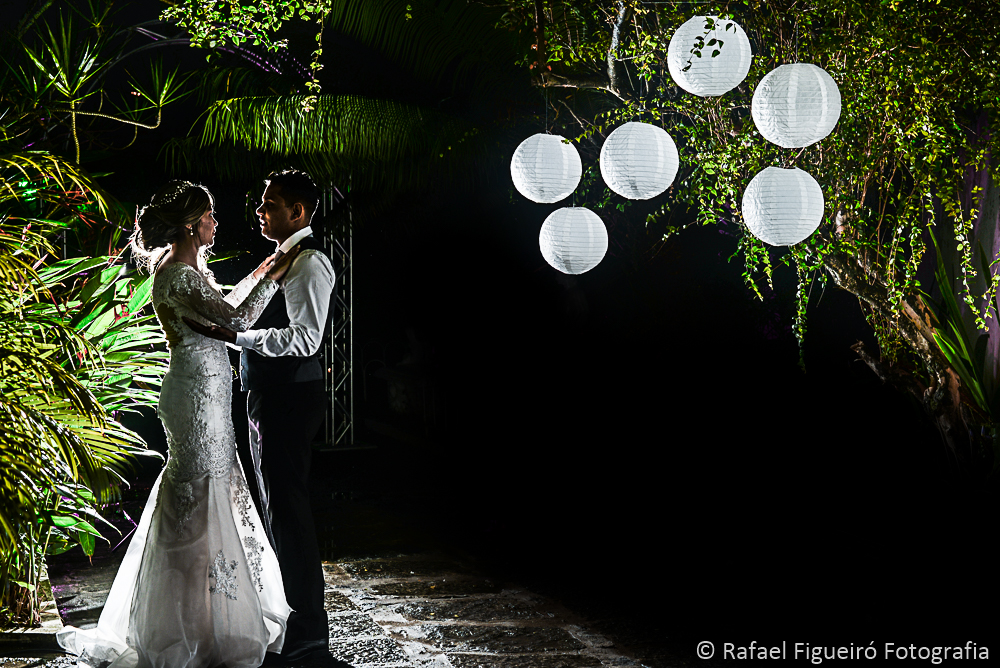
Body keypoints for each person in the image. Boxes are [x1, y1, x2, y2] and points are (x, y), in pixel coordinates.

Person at [56, 180, 297, 668]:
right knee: (198, 495)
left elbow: (223, 306)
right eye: (209, 215)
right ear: (191, 226)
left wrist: (261, 269)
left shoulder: (186, 270)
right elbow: (238, 316)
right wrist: (274, 275)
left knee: (202, 493)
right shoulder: (181, 275)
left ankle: (203, 619)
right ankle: (191, 628)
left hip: (201, 391)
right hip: (196, 396)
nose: (215, 222)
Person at [184, 169, 341, 668]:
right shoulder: (281, 259)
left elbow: (304, 340)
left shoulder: (310, 262)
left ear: (297, 212)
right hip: (268, 394)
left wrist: (236, 339)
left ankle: (312, 631)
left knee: (289, 510)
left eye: (270, 204)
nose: (260, 210)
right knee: (277, 508)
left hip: (290, 397)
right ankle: (299, 622)